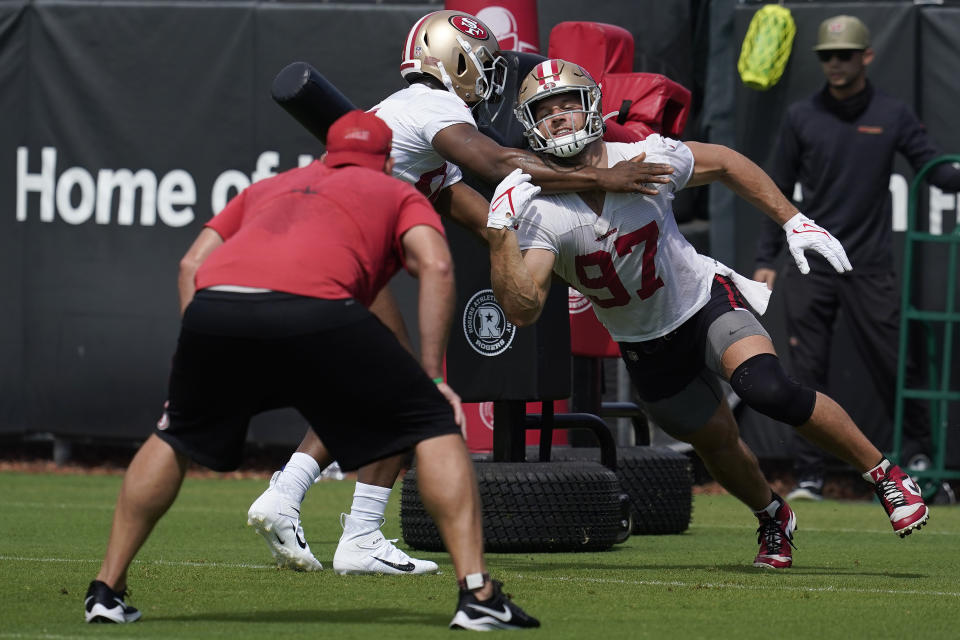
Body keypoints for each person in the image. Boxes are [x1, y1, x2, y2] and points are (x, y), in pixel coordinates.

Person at [247, 8, 674, 576]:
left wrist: (577, 254)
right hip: (335, 251)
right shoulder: (433, 106)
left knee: (374, 389)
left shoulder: (409, 123)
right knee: (408, 389)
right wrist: (602, 177)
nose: (488, 77)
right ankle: (356, 533)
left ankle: (292, 498)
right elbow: (502, 165)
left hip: (317, 249)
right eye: (483, 64)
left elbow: (482, 217)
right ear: (454, 59)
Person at [83, 110, 540, 631]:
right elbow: (435, 266)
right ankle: (477, 595)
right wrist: (435, 379)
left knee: (175, 436)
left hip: (219, 311)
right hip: (316, 305)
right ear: (388, 161)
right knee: (432, 423)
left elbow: (191, 264)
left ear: (326, 155)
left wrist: (196, 355)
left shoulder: (271, 186)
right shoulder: (396, 191)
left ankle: (106, 590)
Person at [484, 58, 929, 570]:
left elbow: (727, 163)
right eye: (545, 109)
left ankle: (885, 474)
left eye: (567, 104)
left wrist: (793, 220)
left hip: (702, 301)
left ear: (592, 107)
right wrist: (501, 234)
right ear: (529, 125)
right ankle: (771, 515)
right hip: (644, 341)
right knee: (716, 441)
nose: (559, 117)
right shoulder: (540, 210)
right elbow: (523, 310)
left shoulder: (645, 157)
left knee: (767, 387)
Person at [752, 15, 960, 501]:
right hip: (813, 265)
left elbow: (936, 171)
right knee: (804, 371)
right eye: (827, 56)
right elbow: (773, 190)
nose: (835, 64)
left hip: (868, 264)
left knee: (896, 365)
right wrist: (767, 256)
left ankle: (921, 460)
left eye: (844, 55)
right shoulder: (802, 116)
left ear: (866, 56)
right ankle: (808, 476)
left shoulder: (892, 114)